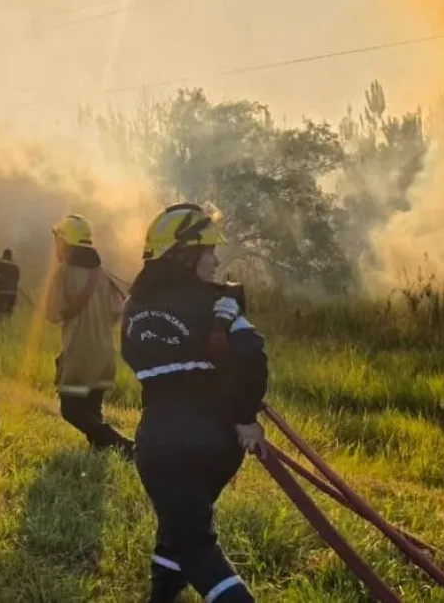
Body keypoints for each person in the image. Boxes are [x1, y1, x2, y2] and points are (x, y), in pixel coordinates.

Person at [119, 202, 268, 603]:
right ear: (184, 255)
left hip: (162, 446)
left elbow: (136, 359)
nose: (216, 258)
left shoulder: (132, 308)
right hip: (216, 446)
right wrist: (245, 419)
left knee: (195, 544)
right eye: (208, 251)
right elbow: (252, 354)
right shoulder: (218, 303)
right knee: (179, 529)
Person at [44, 214, 133, 459]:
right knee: (93, 410)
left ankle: (123, 444)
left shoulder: (63, 272)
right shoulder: (101, 273)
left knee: (70, 410)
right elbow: (118, 310)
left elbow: (52, 314)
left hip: (78, 353)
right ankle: (101, 453)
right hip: (104, 353)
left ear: (64, 242)